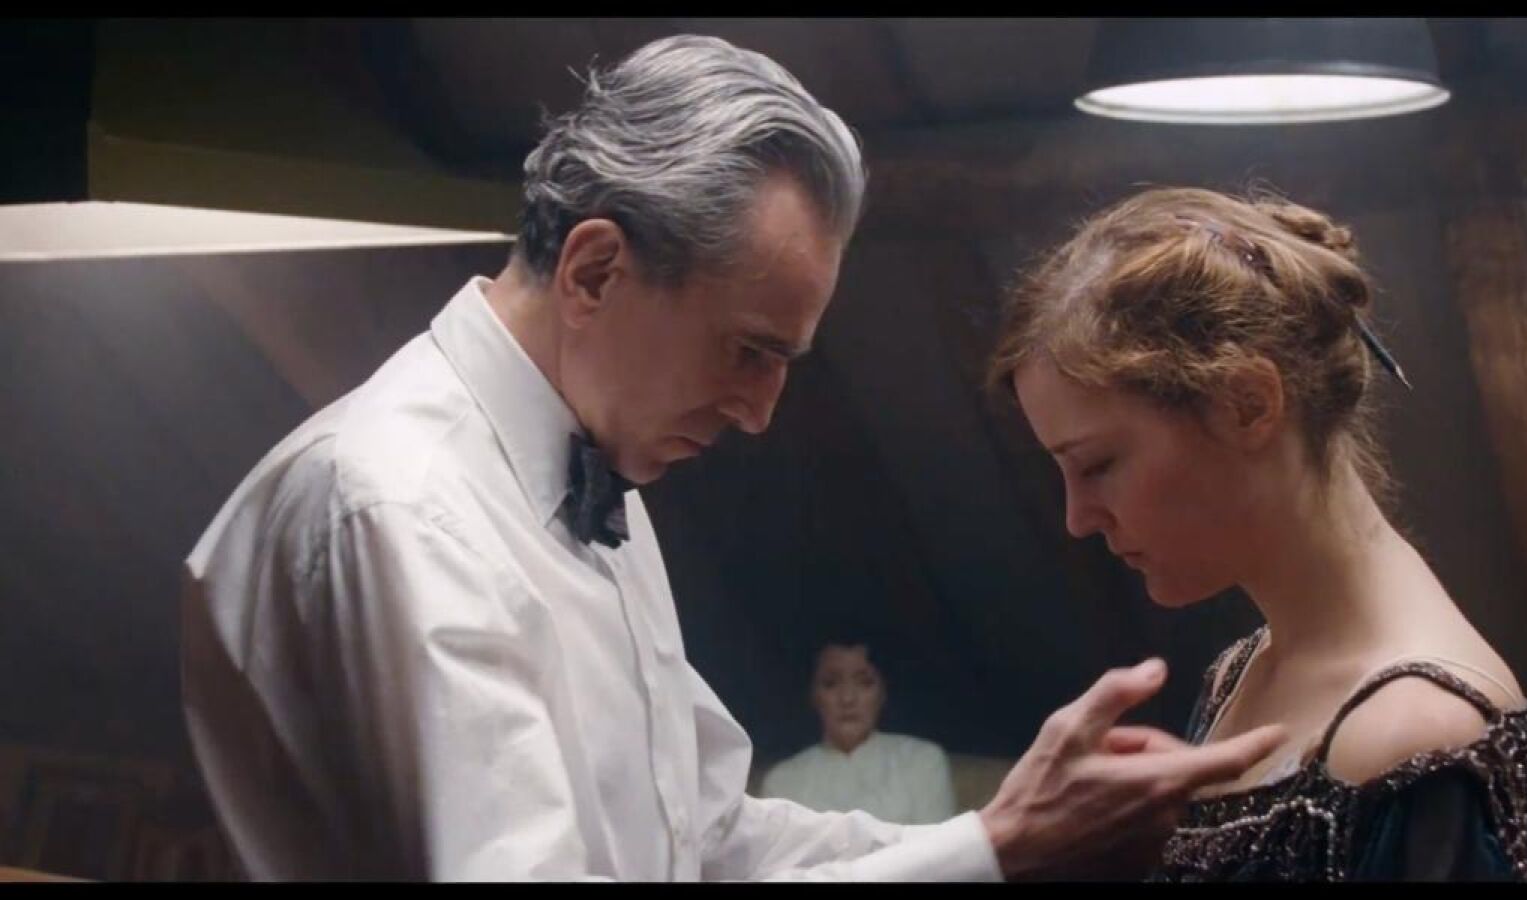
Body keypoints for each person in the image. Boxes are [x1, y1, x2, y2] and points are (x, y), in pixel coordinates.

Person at [179, 37, 1284, 881]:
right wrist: (989, 850)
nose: (760, 412)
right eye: (749, 351)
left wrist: (1002, 834)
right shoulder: (397, 508)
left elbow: (705, 840)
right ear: (595, 271)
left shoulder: (593, 469)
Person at [988, 186, 1527, 881]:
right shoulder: (1241, 671)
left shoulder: (1415, 735)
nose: (1078, 518)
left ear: (1248, 404)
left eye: (1098, 464)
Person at [760, 639, 956, 824]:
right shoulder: (783, 782)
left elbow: (938, 845)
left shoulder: (921, 762)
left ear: (883, 692)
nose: (847, 699)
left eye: (865, 683)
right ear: (813, 694)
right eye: (830, 684)